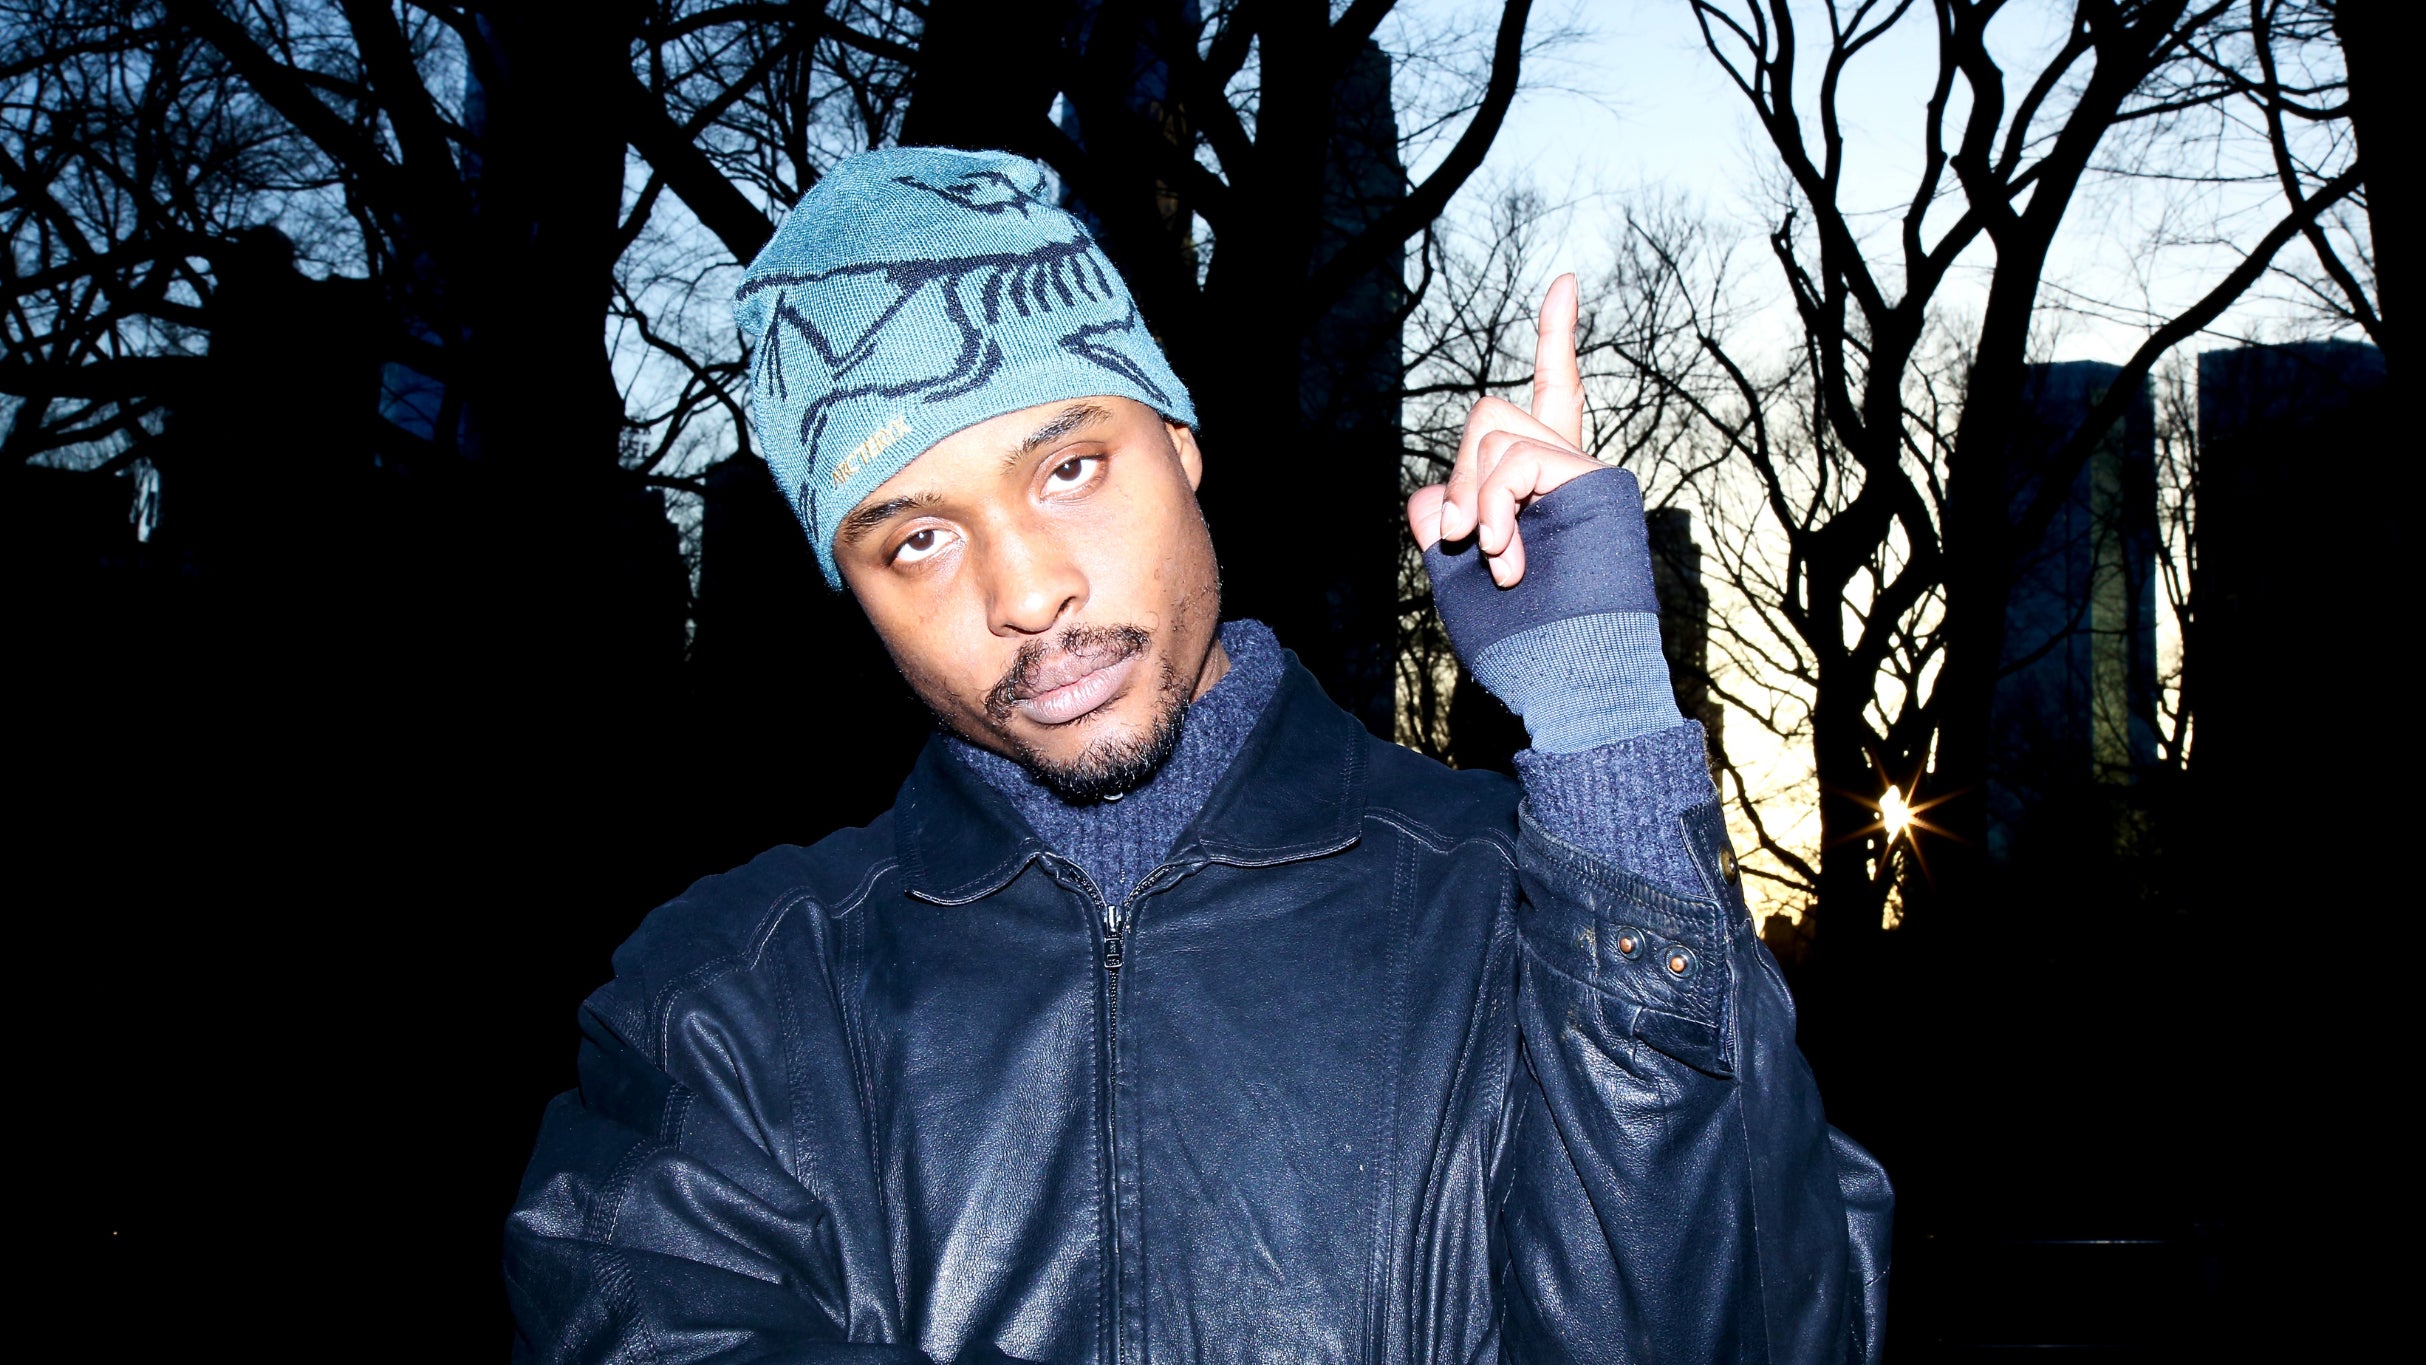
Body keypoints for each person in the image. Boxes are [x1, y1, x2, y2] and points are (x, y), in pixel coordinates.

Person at [504, 148, 1890, 1364]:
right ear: (852, 594)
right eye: (917, 538)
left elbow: (1762, 1327)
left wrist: (1606, 736)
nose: (1027, 592)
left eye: (1068, 469)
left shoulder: (1523, 913)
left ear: (1180, 444)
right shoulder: (722, 1003)